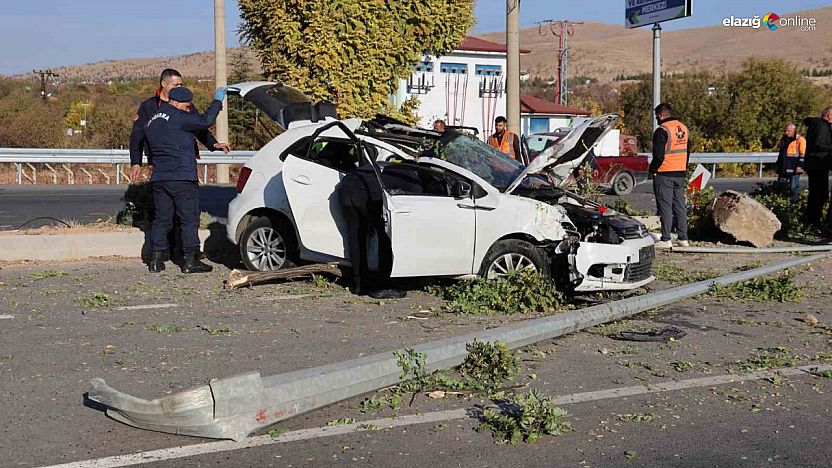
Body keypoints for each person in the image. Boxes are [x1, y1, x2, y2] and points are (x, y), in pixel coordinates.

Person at [129, 69, 230, 261]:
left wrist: (213, 145)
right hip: (181, 174)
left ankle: (156, 260)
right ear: (165, 85)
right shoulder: (149, 107)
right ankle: (190, 260)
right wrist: (136, 162)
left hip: (160, 175)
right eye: (177, 85)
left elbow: (199, 129)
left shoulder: (155, 118)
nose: (180, 88)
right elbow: (203, 121)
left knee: (163, 218)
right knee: (189, 218)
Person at [337, 161, 406, 299]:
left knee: (356, 238)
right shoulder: (409, 176)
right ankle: (383, 286)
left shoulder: (384, 168)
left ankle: (359, 285)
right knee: (385, 237)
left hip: (345, 189)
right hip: (367, 193)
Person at [648, 103, 689, 249]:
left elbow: (658, 155)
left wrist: (652, 169)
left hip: (664, 173)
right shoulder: (683, 128)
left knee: (665, 206)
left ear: (661, 115)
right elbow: (686, 151)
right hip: (680, 172)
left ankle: (666, 238)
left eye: (656, 116)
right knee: (679, 205)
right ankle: (683, 238)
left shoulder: (662, 130)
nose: (656, 119)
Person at [803, 108, 832, 230]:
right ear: (829, 116)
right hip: (818, 164)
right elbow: (820, 144)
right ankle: (814, 222)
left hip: (816, 164)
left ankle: (813, 222)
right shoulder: (822, 126)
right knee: (819, 194)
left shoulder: (817, 125)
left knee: (817, 194)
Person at [775, 122, 807, 201]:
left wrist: (800, 166)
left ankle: (794, 203)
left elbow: (803, 155)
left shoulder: (800, 140)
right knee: (781, 188)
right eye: (785, 130)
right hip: (783, 168)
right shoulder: (784, 139)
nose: (786, 132)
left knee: (793, 189)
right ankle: (781, 204)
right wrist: (778, 165)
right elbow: (781, 154)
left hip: (794, 169)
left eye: (788, 130)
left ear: (793, 130)